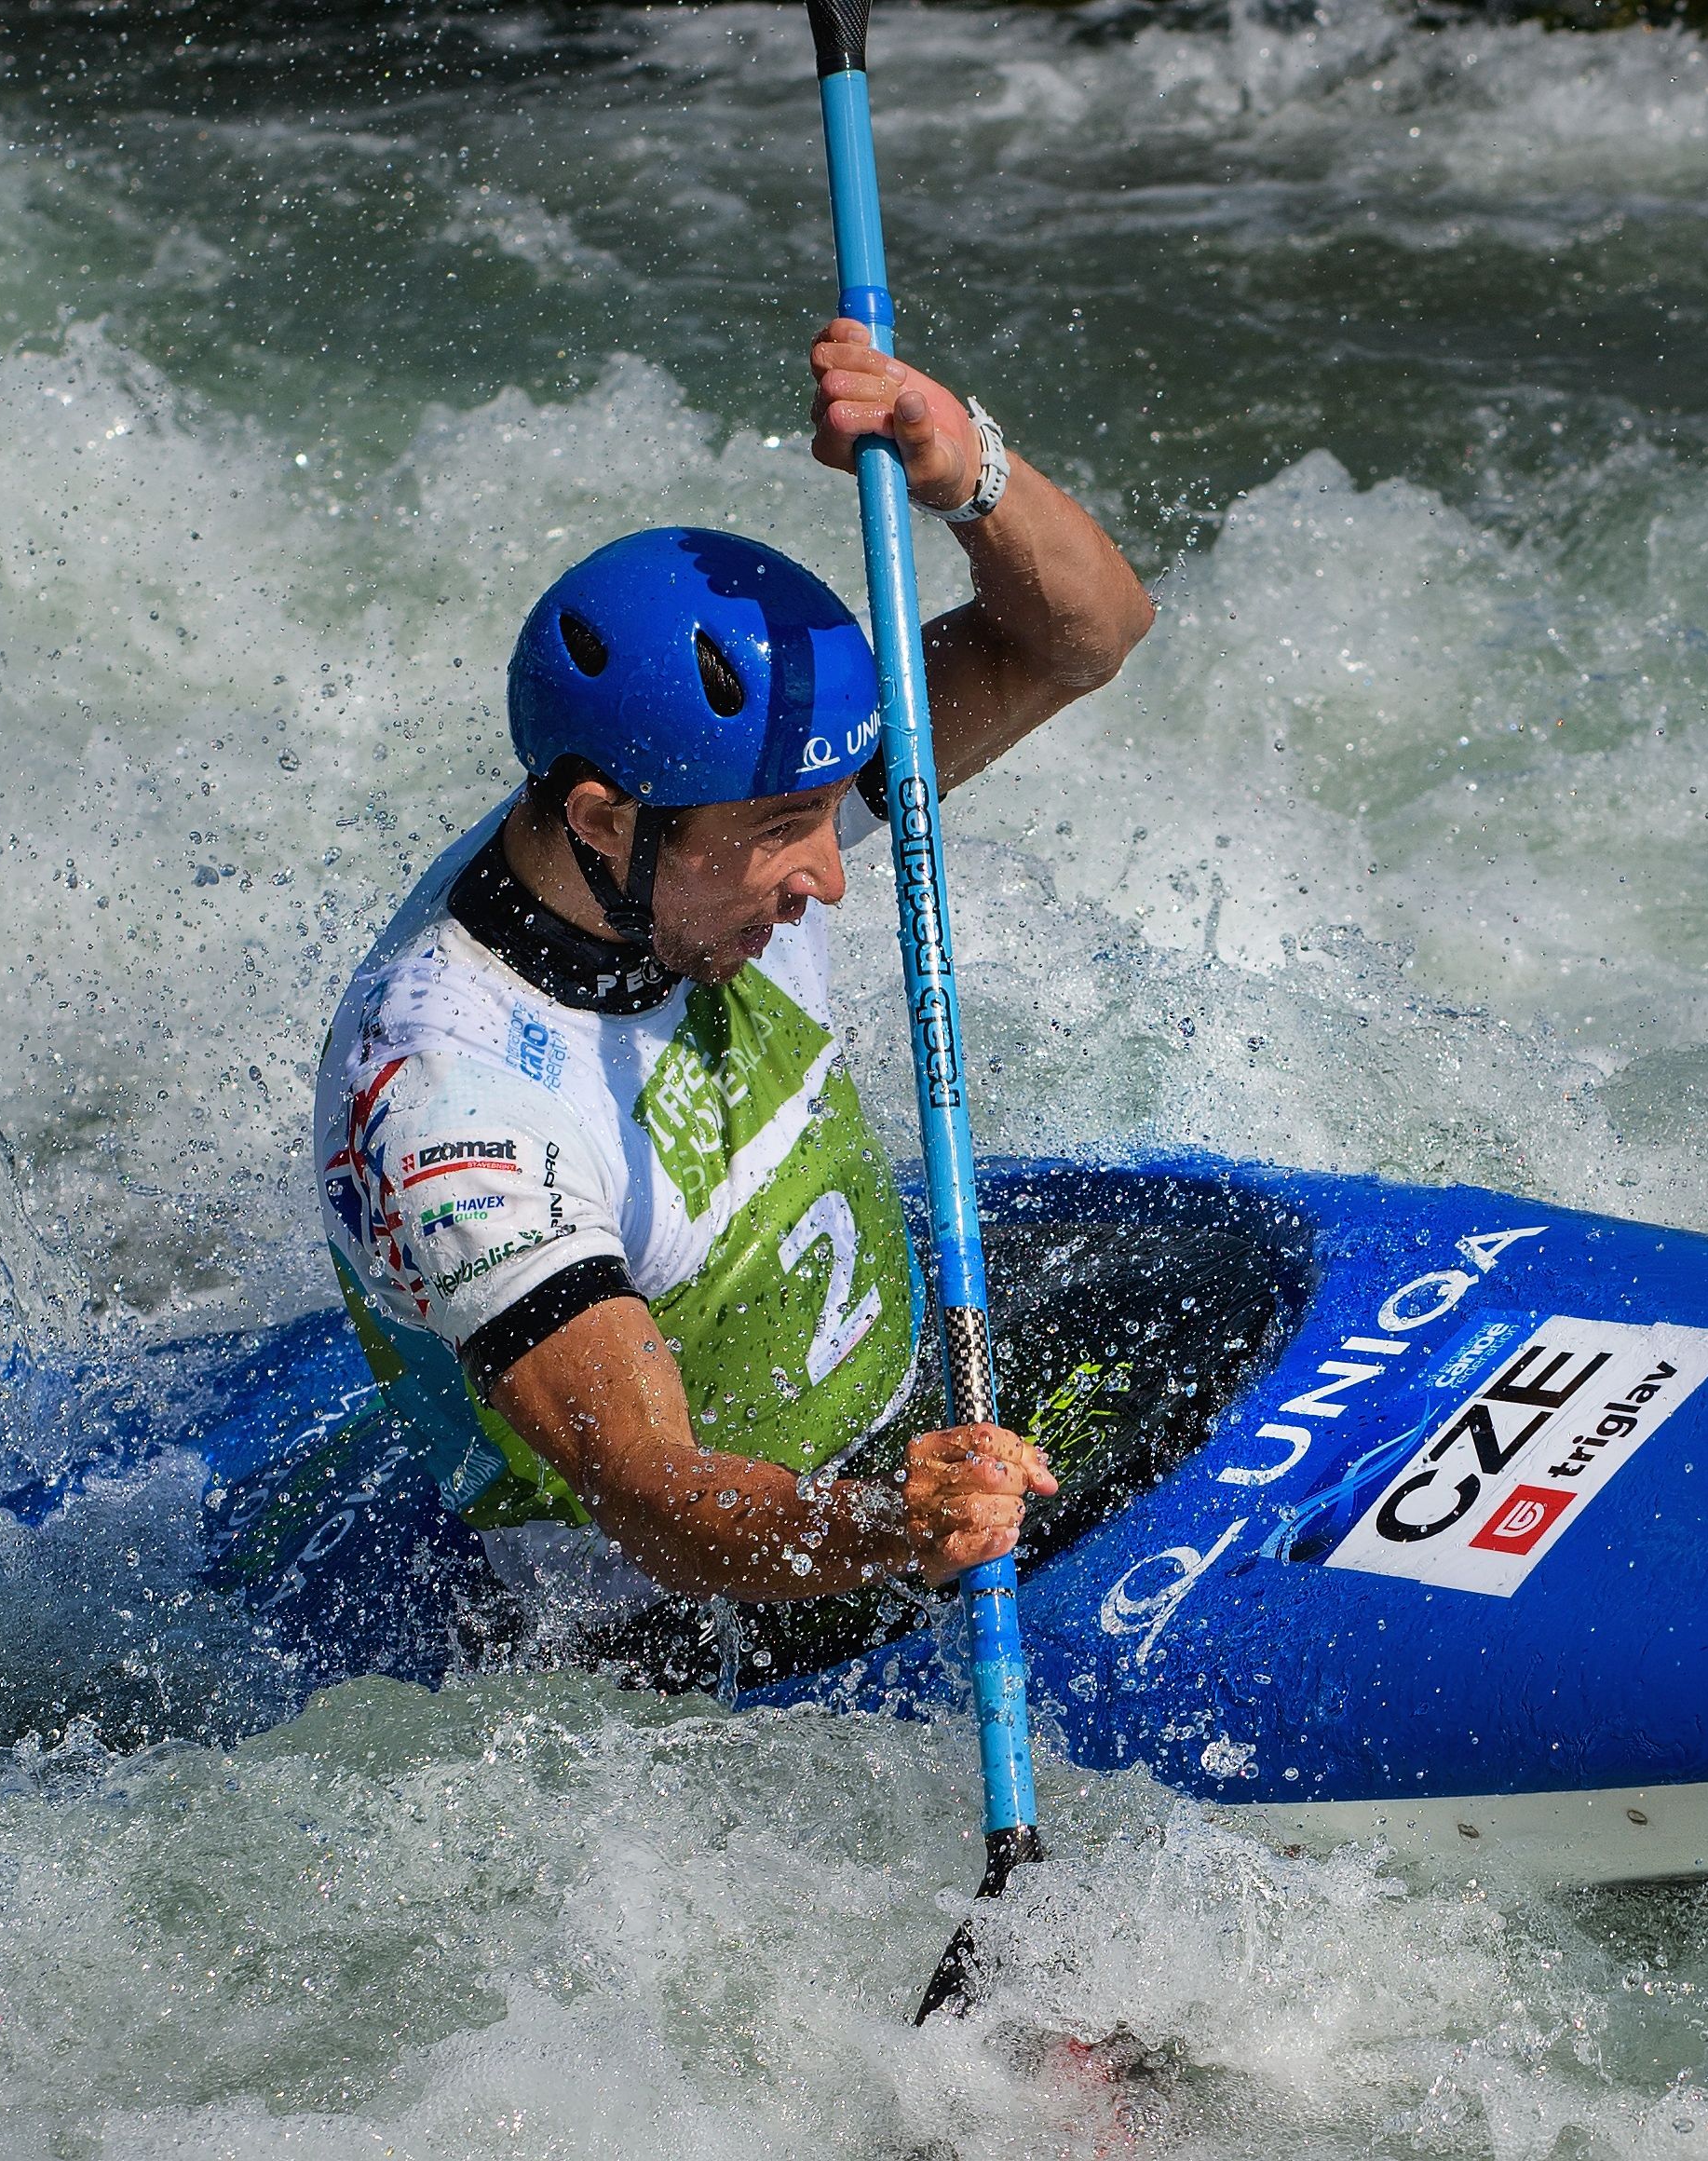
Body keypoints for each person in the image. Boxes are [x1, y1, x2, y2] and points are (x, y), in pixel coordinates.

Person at [311, 323, 1154, 1633]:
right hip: (709, 1618)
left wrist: (965, 469)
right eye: (780, 837)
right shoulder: (456, 1121)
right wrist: (895, 1527)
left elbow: (1080, 641)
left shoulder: (706, 821)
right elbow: (655, 1501)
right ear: (602, 823)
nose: (826, 874)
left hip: (906, 1426)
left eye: (831, 814)